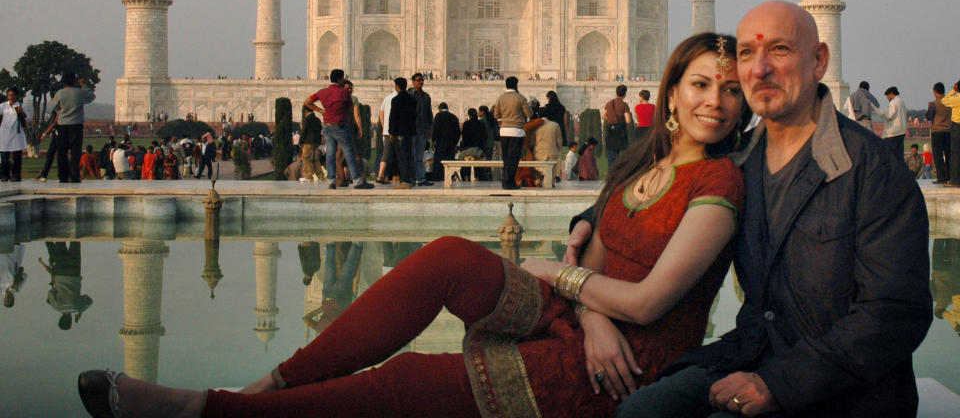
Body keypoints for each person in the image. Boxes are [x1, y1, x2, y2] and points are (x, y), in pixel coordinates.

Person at [77, 32, 750, 418]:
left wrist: (554, 273)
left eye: (730, 90)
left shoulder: (719, 182)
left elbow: (648, 302)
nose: (714, 102)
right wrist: (584, 300)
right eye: (699, 85)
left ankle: (208, 412)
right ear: (670, 92)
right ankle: (276, 384)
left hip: (626, 367)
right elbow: (599, 276)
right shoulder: (638, 163)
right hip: (591, 322)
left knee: (404, 383)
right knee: (448, 255)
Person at [568, 1, 931, 418]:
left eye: (779, 50)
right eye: (746, 54)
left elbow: (894, 313)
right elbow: (656, 198)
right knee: (642, 410)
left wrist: (779, 384)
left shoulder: (869, 168)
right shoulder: (741, 162)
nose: (760, 69)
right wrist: (588, 221)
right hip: (751, 352)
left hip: (839, 387)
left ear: (819, 60)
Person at [304, 69, 373, 190]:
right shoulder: (344, 93)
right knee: (349, 153)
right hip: (340, 126)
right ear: (340, 79)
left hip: (327, 126)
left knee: (330, 154)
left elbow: (307, 102)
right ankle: (357, 181)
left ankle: (331, 181)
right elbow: (350, 107)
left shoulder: (323, 92)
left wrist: (321, 111)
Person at [46, 72, 96, 183]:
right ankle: (74, 176)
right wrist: (83, 85)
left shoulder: (60, 93)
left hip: (62, 125)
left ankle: (62, 176)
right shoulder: (80, 93)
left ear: (64, 81)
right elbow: (92, 96)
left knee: (62, 152)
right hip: (76, 126)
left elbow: (54, 107)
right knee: (75, 152)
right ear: (75, 81)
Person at [492, 76, 532, 189]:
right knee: (513, 159)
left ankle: (505, 181)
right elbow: (529, 113)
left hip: (504, 131)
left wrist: (502, 121)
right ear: (516, 85)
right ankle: (510, 183)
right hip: (517, 131)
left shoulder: (500, 98)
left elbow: (496, 115)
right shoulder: (520, 98)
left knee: (506, 158)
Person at [385, 77, 417, 189]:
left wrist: (391, 132)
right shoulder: (412, 99)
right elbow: (414, 116)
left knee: (402, 158)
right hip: (410, 132)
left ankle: (405, 181)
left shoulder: (396, 100)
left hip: (400, 133)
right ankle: (409, 179)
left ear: (397, 86)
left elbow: (393, 117)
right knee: (408, 157)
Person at [409, 73, 434, 185]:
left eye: (422, 80)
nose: (420, 82)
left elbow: (429, 113)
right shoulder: (408, 94)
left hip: (422, 129)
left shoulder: (426, 96)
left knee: (419, 155)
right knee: (411, 154)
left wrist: (429, 128)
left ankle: (420, 178)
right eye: (418, 80)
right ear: (413, 82)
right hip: (411, 129)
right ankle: (410, 177)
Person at [0, 87, 28, 182]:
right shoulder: (3, 106)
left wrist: (21, 113)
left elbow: (27, 118)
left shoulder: (20, 105)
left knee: (17, 156)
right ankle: (5, 175)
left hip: (16, 133)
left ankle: (16, 175)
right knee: (4, 156)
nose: (11, 97)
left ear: (17, 96)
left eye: (13, 95)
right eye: (9, 95)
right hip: (5, 133)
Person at [872, 85, 907, 159]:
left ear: (891, 94)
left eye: (887, 96)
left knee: (890, 156)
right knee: (899, 156)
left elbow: (889, 115)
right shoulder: (902, 102)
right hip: (901, 132)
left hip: (893, 133)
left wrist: (874, 108)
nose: (887, 98)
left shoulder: (893, 102)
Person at [602, 84, 634, 166]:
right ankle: (621, 176)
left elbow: (603, 116)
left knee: (611, 158)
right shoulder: (624, 105)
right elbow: (628, 120)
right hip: (621, 133)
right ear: (625, 94)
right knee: (622, 157)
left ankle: (611, 176)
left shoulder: (609, 103)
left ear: (616, 92)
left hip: (610, 132)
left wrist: (610, 119)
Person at [431, 102, 460, 184]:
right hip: (451, 143)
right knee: (449, 161)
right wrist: (455, 142)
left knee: (439, 160)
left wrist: (433, 140)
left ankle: (437, 177)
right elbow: (458, 132)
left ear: (440, 109)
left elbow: (435, 129)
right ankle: (449, 178)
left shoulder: (438, 116)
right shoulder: (454, 117)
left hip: (441, 142)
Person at [456, 107, 487, 184]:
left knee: (465, 167)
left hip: (467, 149)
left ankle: (466, 180)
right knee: (478, 167)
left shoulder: (466, 124)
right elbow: (485, 136)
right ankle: (477, 179)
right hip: (478, 150)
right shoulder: (481, 124)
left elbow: (464, 137)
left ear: (469, 115)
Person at [928, 82, 952, 184]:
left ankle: (941, 177)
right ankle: (950, 176)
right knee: (949, 154)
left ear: (935, 91)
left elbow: (929, 116)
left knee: (938, 155)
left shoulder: (933, 104)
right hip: (949, 131)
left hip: (937, 131)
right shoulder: (950, 102)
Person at [375, 85, 398, 184]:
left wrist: (384, 125)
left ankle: (382, 175)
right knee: (400, 154)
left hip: (387, 131)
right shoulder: (401, 99)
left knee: (387, 153)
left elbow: (381, 112)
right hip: (397, 131)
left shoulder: (387, 98)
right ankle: (396, 177)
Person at [941, 81, 960, 187]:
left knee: (955, 154)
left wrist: (953, 90)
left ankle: (955, 180)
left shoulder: (957, 100)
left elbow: (944, 100)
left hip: (957, 126)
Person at [299, 107, 324, 183]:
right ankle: (321, 176)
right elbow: (320, 130)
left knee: (306, 159)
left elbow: (304, 131)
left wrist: (301, 141)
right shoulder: (317, 119)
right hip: (316, 142)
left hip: (308, 142)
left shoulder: (307, 119)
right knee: (315, 159)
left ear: (306, 111)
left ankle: (308, 176)